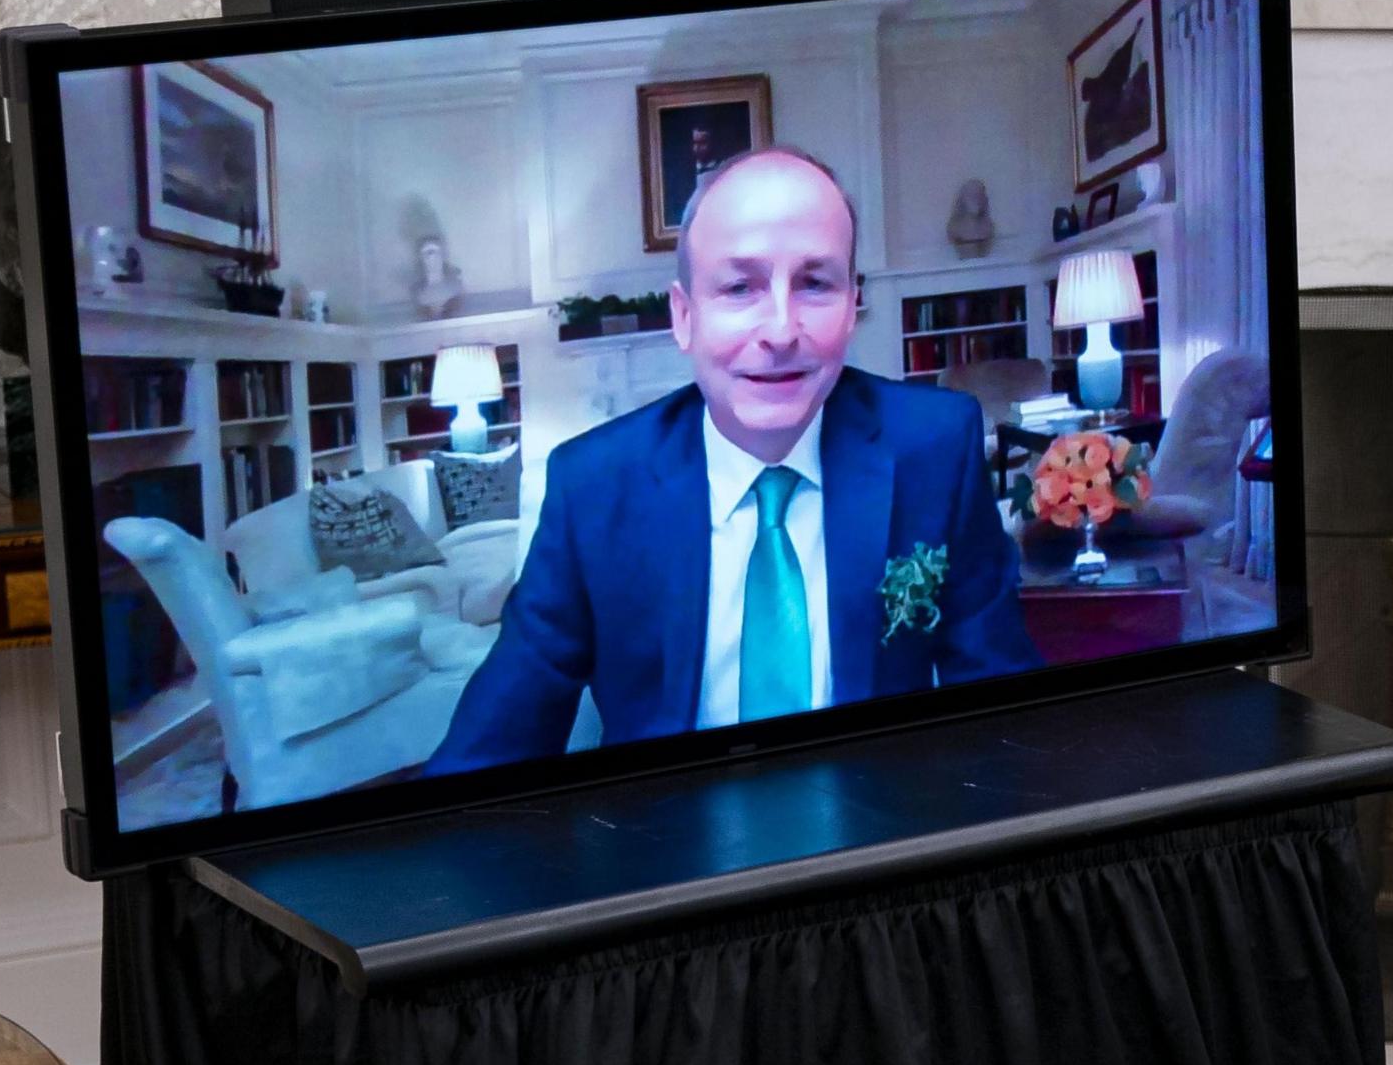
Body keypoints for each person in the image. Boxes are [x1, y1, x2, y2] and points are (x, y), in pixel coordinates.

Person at [431, 150, 1036, 772]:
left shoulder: (934, 446)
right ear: (685, 316)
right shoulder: (593, 488)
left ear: (853, 304)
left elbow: (1002, 707)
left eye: (815, 283)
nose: (780, 330)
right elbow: (494, 745)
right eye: (740, 286)